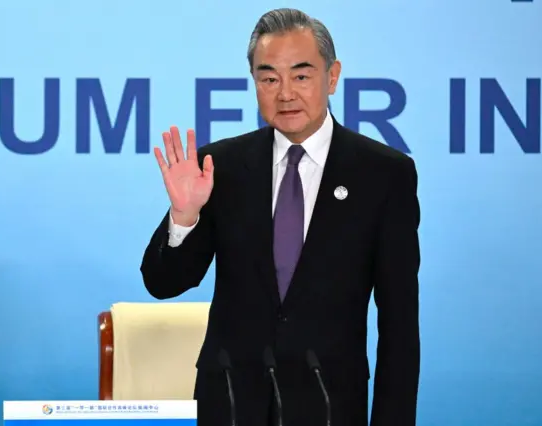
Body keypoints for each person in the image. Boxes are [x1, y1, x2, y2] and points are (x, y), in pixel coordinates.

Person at [141, 8, 420, 426]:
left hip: (329, 406)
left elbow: (399, 327)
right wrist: (185, 216)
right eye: (268, 78)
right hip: (231, 405)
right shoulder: (222, 167)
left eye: (301, 76)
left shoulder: (383, 174)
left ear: (332, 76)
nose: (285, 93)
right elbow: (163, 283)